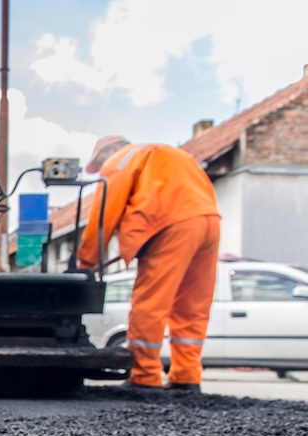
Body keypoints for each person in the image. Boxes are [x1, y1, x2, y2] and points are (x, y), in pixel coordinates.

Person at [80, 135, 221, 393]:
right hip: (209, 222)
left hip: (168, 225)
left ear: (111, 148)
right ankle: (186, 375)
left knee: (151, 303)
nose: (100, 169)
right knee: (192, 306)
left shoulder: (121, 159)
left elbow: (104, 215)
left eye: (98, 161)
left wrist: (87, 262)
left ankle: (145, 376)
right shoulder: (175, 155)